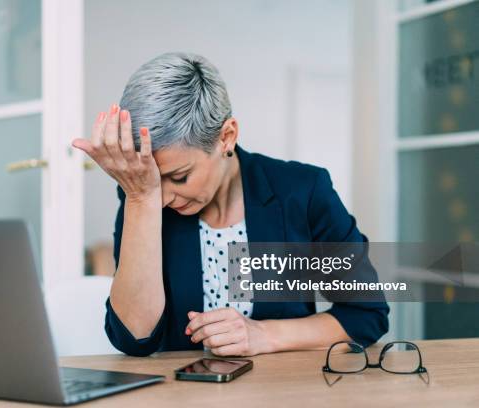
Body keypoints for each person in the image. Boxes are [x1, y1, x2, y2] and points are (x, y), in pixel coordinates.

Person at [72, 52, 389, 357]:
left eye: (179, 177)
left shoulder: (302, 191)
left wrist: (263, 335)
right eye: (154, 183)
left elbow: (366, 315)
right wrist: (141, 199)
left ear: (226, 136)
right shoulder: (143, 196)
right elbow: (134, 339)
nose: (164, 197)